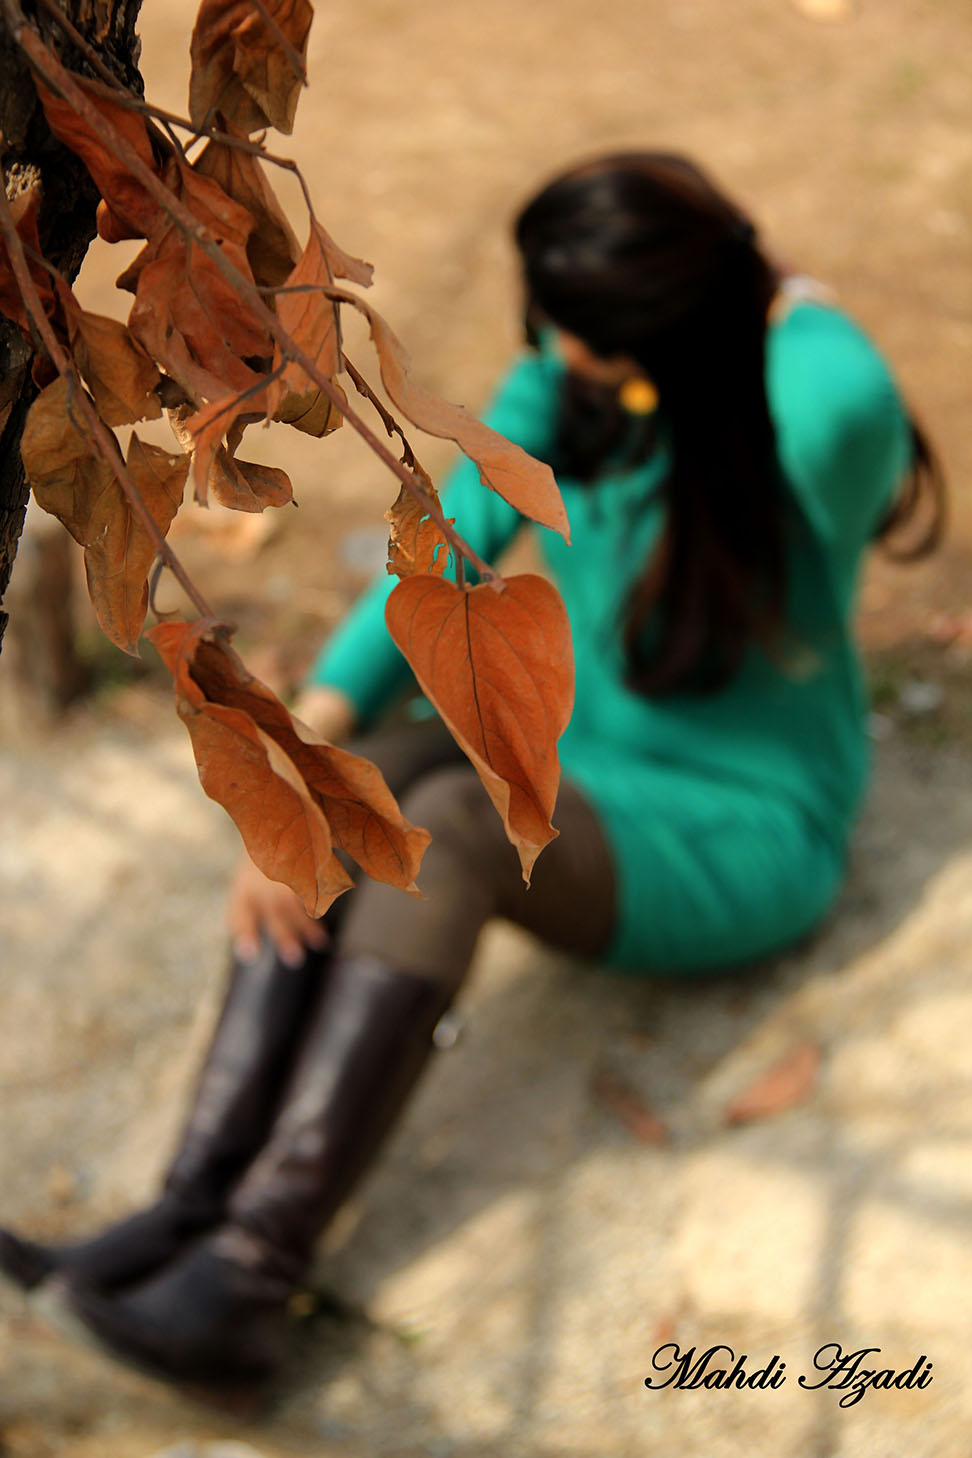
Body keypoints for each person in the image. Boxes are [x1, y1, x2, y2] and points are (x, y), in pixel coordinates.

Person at [1, 152, 943, 1392]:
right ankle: (187, 1208)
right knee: (349, 789)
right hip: (588, 759)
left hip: (739, 822)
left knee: (444, 820)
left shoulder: (820, 408)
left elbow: (808, 356)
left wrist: (737, 335)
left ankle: (247, 1273)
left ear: (674, 343)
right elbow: (440, 548)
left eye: (588, 340)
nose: (552, 352)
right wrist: (299, 755)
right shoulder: (580, 381)